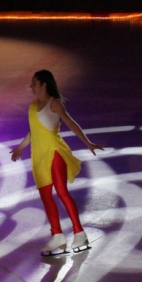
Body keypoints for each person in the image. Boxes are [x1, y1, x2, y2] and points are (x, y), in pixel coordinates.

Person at [10, 70, 104, 256]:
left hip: (54, 152)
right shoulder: (33, 105)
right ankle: (58, 237)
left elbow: (71, 124)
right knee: (46, 196)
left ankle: (79, 233)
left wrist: (88, 143)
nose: (31, 86)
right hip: (39, 156)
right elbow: (34, 131)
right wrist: (20, 147)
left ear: (44, 84)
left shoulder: (54, 104)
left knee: (61, 192)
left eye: (34, 83)